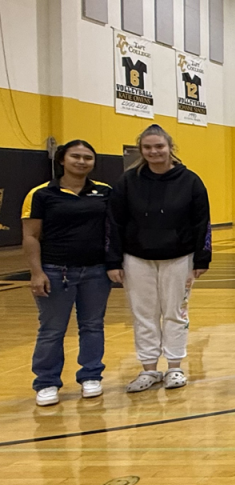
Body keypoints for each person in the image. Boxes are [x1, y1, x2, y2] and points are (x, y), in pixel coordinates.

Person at [107, 124, 211, 393]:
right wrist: (113, 260)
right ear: (141, 150)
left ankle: (175, 367)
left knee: (176, 312)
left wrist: (202, 258)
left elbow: (202, 222)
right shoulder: (128, 181)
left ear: (169, 148)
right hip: (137, 258)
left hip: (179, 257)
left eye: (159, 146)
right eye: (148, 147)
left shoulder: (190, 180)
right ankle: (149, 369)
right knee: (144, 314)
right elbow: (115, 222)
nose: (154, 152)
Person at [22, 140, 112, 406]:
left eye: (88, 157)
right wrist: (36, 273)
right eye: (76, 156)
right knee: (52, 329)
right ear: (62, 159)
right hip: (54, 270)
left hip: (96, 272)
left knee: (93, 326)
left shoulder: (104, 192)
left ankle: (91, 375)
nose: (82, 161)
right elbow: (30, 236)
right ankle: (47, 382)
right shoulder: (41, 194)